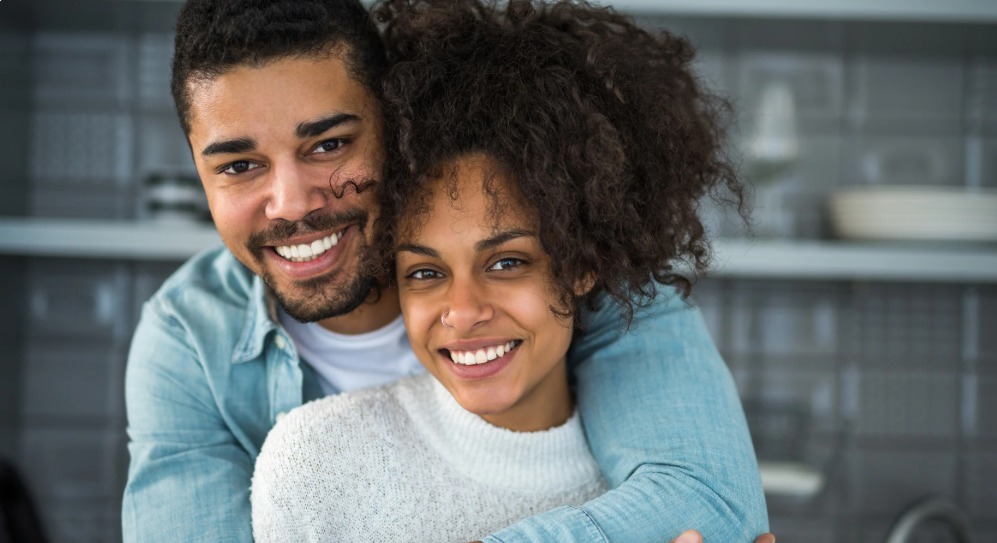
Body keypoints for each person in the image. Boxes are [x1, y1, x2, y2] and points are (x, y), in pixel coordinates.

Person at [121, 0, 768, 541]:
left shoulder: (582, 253)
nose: (291, 203)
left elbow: (709, 505)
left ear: (396, 124)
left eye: (328, 145)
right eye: (238, 165)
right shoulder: (189, 340)